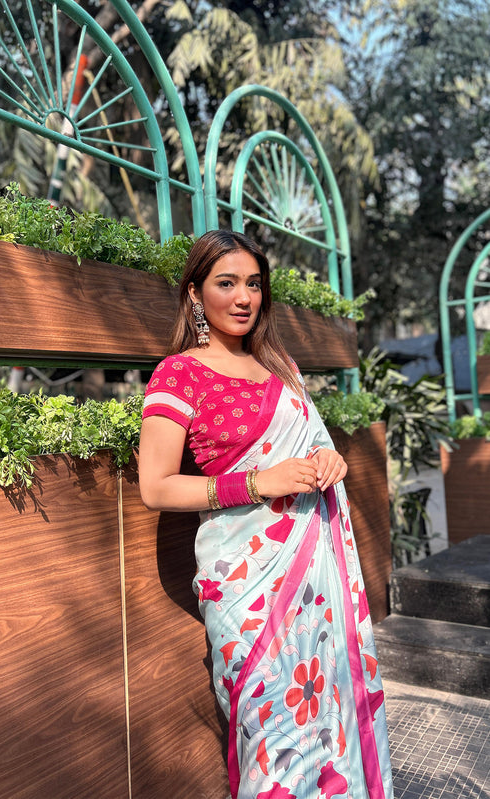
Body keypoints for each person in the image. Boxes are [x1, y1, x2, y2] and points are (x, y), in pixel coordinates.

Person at [138, 230, 393, 799]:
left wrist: (329, 459)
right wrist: (258, 483)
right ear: (195, 294)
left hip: (315, 583)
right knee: (273, 730)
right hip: (244, 582)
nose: (243, 297)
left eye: (253, 284)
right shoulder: (179, 374)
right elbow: (155, 487)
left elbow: (315, 444)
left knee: (328, 712)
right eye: (226, 283)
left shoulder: (281, 367)